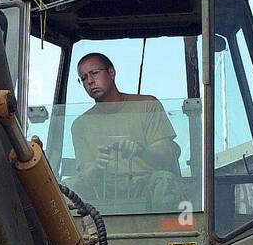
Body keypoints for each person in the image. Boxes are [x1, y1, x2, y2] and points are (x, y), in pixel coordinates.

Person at [69, 53, 183, 211]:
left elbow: (165, 155)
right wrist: (98, 165)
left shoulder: (147, 106)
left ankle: (166, 233)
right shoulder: (80, 124)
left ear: (111, 72)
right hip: (104, 190)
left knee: (164, 181)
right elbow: (85, 174)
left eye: (94, 73)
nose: (89, 81)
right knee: (67, 187)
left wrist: (140, 151)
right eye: (83, 78)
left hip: (146, 184)